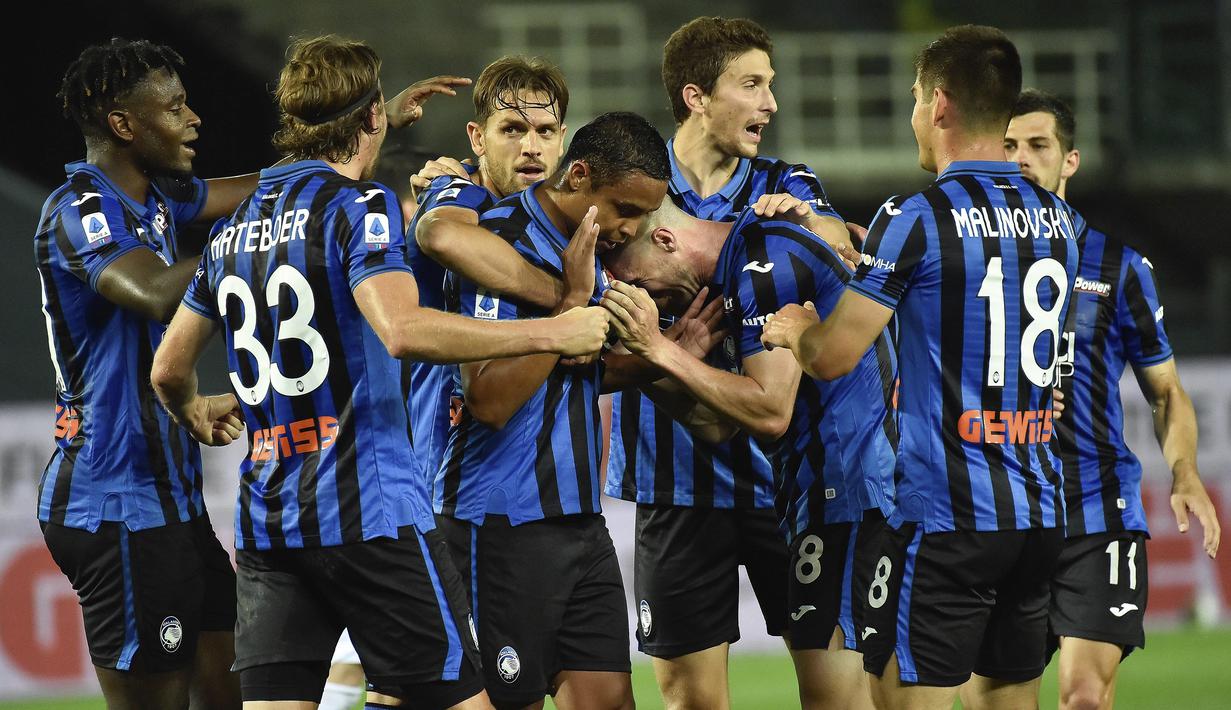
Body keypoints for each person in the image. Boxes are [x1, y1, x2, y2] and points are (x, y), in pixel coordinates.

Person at [149, 35, 609, 709]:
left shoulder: (233, 230)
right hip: (369, 509)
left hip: (270, 519)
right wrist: (553, 328)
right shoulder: (358, 206)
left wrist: (192, 405)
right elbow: (402, 330)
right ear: (371, 117)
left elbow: (167, 370)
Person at [761, 25, 1081, 710]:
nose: (912, 114)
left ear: (938, 104)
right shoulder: (1059, 220)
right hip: (1035, 514)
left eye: (914, 97)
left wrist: (794, 330)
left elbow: (833, 357)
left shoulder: (917, 216)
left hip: (943, 517)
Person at [602, 16, 857, 710]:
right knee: (692, 701)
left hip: (787, 488)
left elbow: (835, 240)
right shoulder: (633, 183)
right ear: (696, 97)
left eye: (769, 85)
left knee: (835, 693)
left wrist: (808, 225)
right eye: (751, 85)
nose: (769, 103)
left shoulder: (782, 184)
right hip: (675, 482)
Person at [35, 36, 290, 710]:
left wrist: (351, 139)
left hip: (171, 500)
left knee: (230, 688)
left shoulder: (158, 200)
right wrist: (240, 244)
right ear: (124, 124)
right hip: (114, 500)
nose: (193, 119)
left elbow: (261, 188)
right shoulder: (79, 210)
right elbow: (150, 292)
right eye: (175, 107)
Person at [599, 193, 899, 709]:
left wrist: (661, 349)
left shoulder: (764, 262)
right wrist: (655, 364)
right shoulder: (740, 268)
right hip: (821, 496)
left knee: (848, 697)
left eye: (638, 281)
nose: (651, 302)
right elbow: (720, 426)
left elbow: (770, 410)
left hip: (853, 495)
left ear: (664, 240)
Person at [436, 111, 670, 710]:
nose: (631, 228)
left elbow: (578, 372)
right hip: (500, 521)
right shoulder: (499, 241)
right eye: (623, 208)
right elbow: (488, 398)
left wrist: (667, 355)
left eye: (645, 215)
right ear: (580, 175)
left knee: (610, 701)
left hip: (580, 520)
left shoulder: (596, 251)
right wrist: (569, 308)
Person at [1002, 89, 1220, 710]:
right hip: (999, 509)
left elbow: (1166, 392)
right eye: (1008, 146)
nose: (1021, 159)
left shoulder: (1117, 268)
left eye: (1038, 145)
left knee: (1084, 697)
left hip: (1096, 509)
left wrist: (1184, 471)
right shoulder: (968, 265)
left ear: (1069, 160)